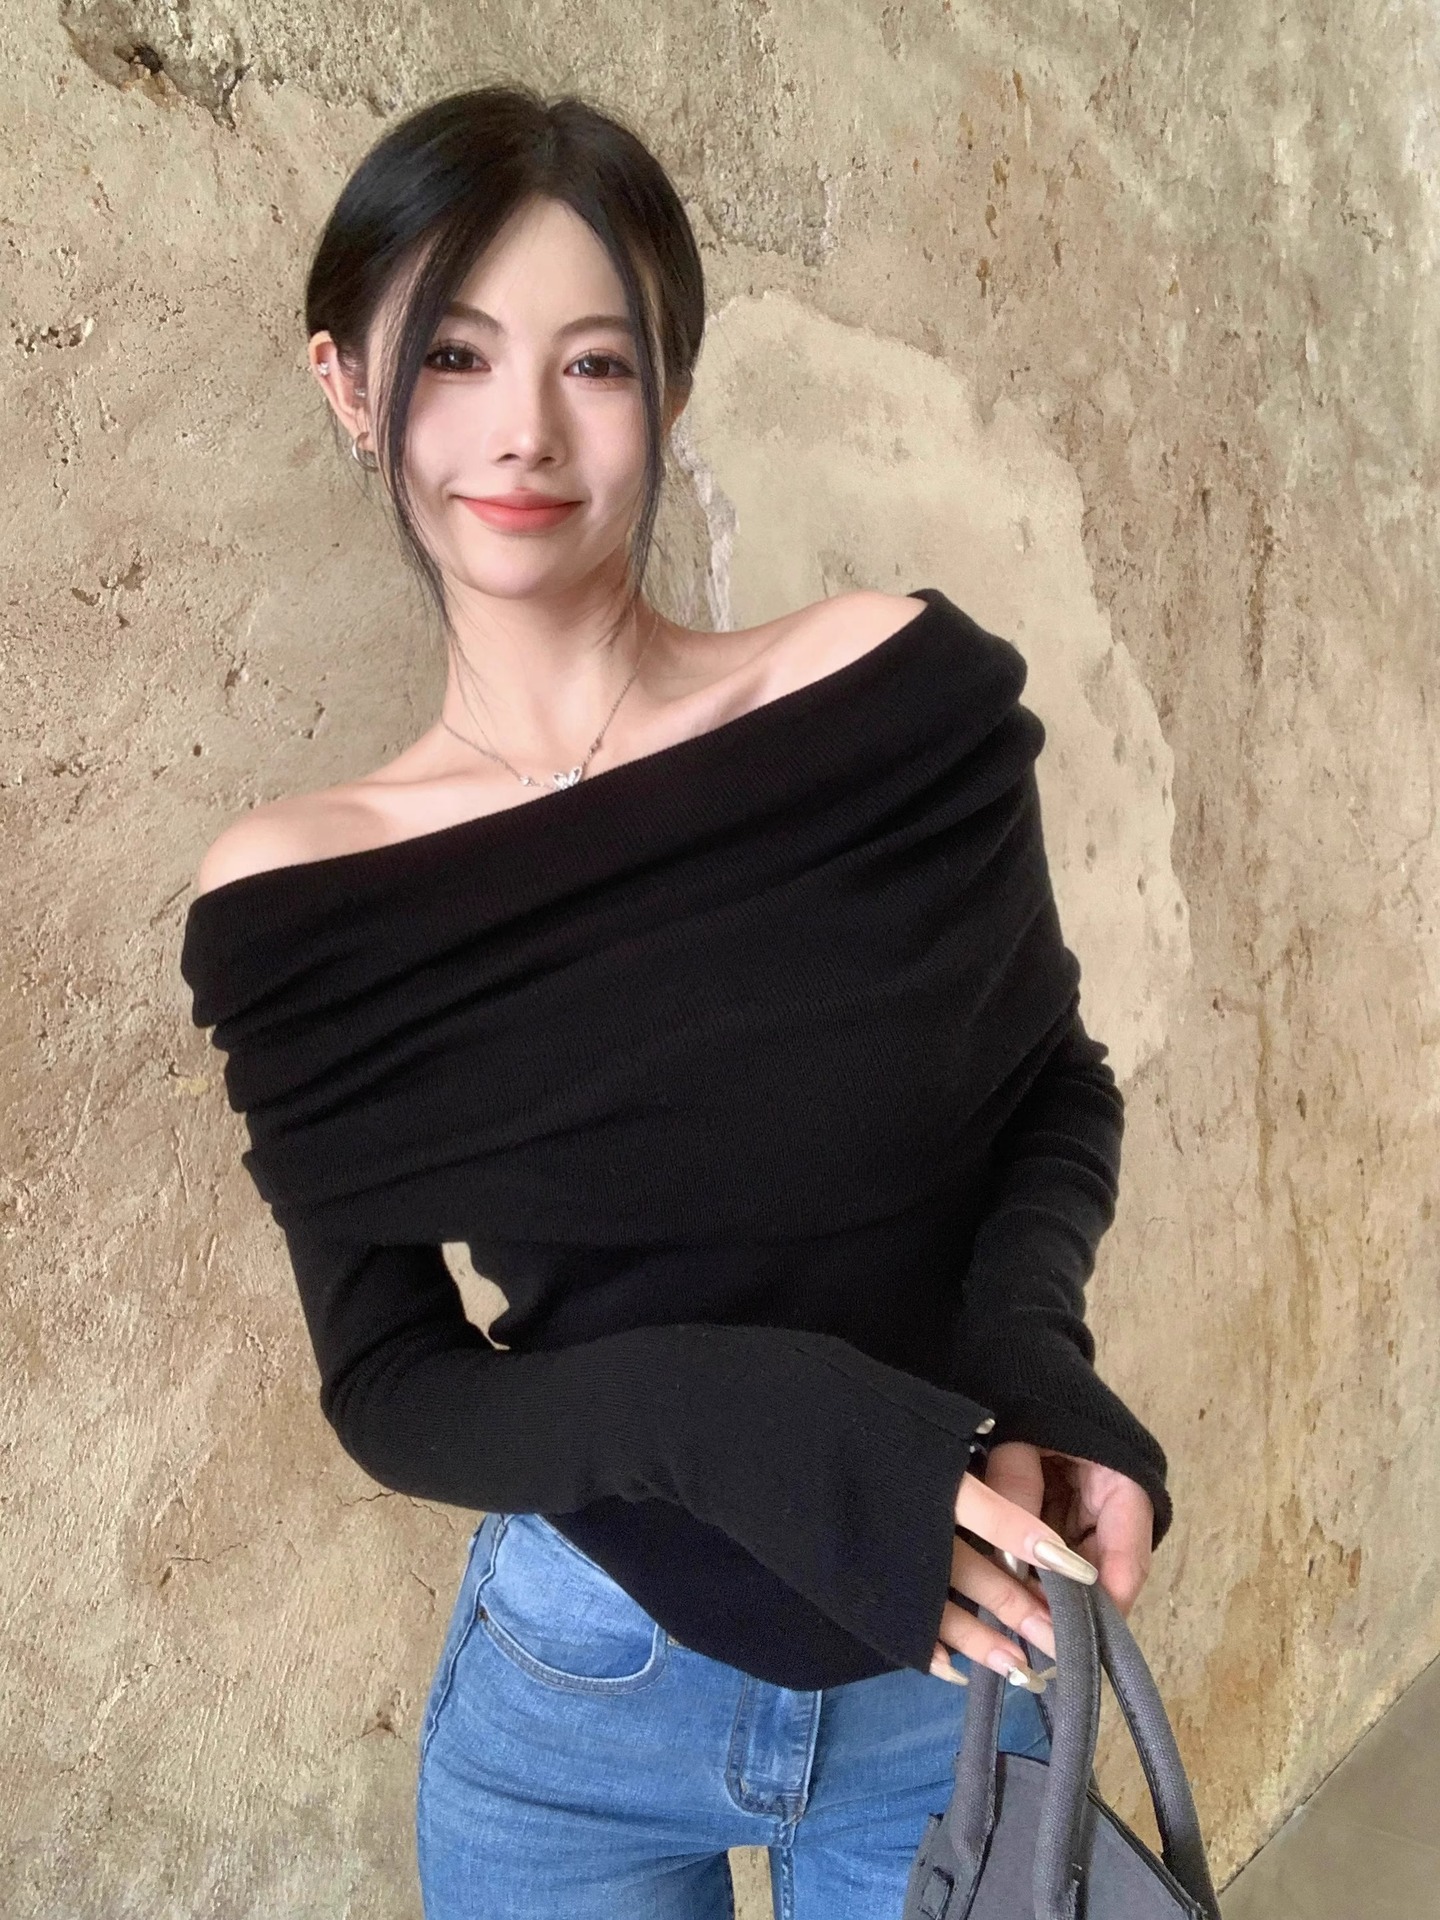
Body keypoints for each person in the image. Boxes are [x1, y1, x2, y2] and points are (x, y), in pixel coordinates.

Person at [180, 84, 1171, 1920]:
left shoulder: (885, 704)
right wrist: (713, 1413)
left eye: (597, 363)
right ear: (347, 384)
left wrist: (1036, 1361)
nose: (524, 430)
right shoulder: (297, 898)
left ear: (673, 382)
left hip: (951, 1670)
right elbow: (391, 1382)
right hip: (578, 1688)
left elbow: (1055, 1090)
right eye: (453, 354)